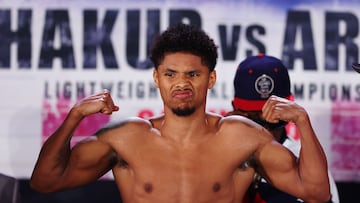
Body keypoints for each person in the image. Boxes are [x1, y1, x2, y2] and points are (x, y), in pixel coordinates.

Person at [30, 24, 331, 203]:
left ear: (210, 79)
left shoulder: (240, 137)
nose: (182, 83)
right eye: (171, 74)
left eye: (193, 74)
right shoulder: (126, 139)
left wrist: (302, 121)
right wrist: (74, 117)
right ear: (156, 78)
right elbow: (45, 181)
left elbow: (317, 193)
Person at [227, 54, 339, 203]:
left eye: (276, 117)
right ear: (235, 109)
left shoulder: (309, 166)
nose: (265, 129)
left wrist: (303, 121)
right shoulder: (219, 154)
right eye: (255, 120)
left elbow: (319, 195)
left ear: (290, 110)